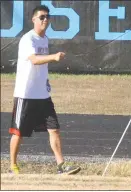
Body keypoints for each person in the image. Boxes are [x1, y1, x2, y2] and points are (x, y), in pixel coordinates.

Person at [9, 5, 81, 175]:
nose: (45, 20)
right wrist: (54, 57)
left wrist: (46, 82)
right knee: (18, 132)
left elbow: (41, 67)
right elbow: (34, 60)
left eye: (48, 17)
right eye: (41, 17)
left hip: (43, 95)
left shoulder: (45, 39)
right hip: (25, 94)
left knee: (54, 128)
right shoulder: (28, 39)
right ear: (34, 19)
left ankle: (61, 165)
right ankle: (12, 166)